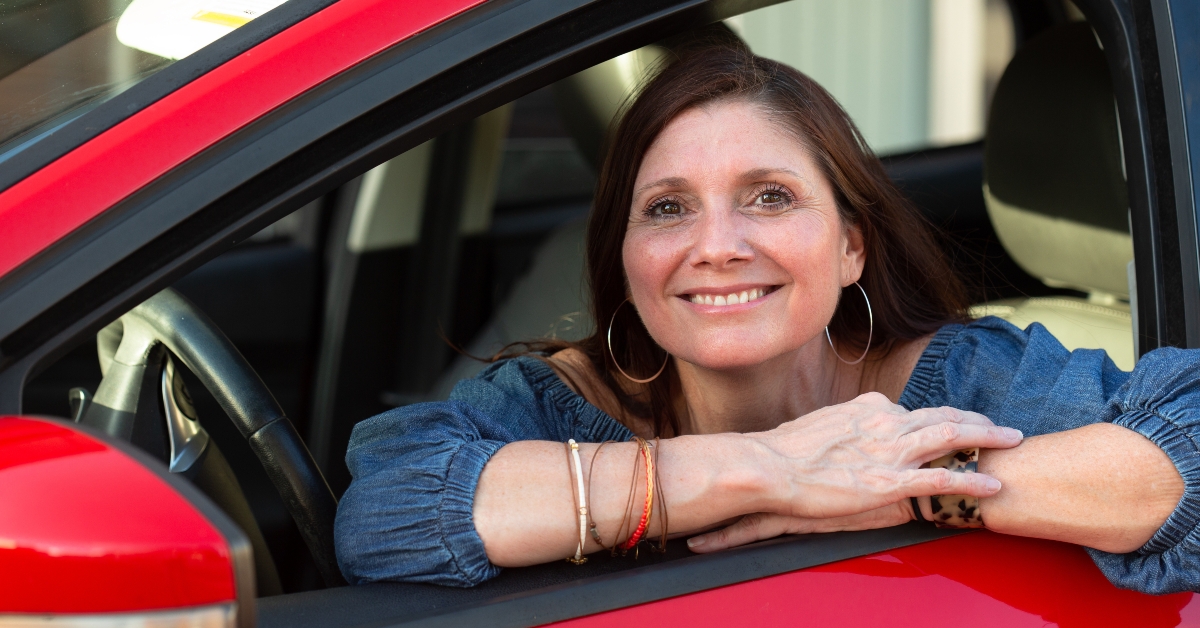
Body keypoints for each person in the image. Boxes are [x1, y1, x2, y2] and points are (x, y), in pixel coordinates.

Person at [334, 41, 1197, 595]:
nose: (717, 246)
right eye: (668, 208)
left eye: (771, 197)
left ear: (853, 247)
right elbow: (382, 513)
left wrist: (904, 488)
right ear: (625, 259)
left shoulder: (957, 379)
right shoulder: (557, 401)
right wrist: (763, 471)